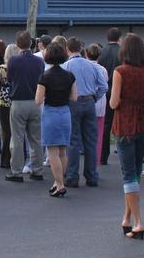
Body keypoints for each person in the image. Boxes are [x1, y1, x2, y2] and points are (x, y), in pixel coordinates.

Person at [109, 34, 144, 239]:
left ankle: (137, 222)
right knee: (136, 171)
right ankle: (127, 218)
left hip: (126, 124)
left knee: (128, 174)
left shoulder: (120, 71)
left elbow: (113, 103)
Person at [63, 37, 106, 188]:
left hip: (73, 102)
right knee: (91, 140)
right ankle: (92, 176)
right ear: (81, 49)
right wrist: (94, 98)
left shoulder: (66, 66)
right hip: (89, 101)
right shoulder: (92, 65)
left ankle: (72, 176)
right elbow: (103, 86)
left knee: (73, 140)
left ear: (67, 49)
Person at [37, 42, 77, 198]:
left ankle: (59, 184)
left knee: (52, 151)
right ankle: (58, 182)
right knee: (62, 151)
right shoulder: (70, 76)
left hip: (51, 113)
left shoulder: (45, 76)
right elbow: (74, 97)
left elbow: (38, 100)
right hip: (65, 113)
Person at [6, 30, 46, 182]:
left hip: (18, 102)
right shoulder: (39, 62)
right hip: (35, 101)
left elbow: (10, 79)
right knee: (35, 138)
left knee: (17, 138)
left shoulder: (13, 61)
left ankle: (16, 171)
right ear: (31, 43)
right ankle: (37, 170)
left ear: (17, 44)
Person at [98, 28, 123, 168]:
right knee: (122, 123)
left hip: (105, 91)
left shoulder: (102, 52)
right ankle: (124, 153)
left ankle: (103, 156)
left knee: (106, 124)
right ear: (119, 38)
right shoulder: (122, 52)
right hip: (119, 91)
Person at [0, 43, 17, 171]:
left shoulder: (1, 68)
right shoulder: (19, 67)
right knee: (16, 131)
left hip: (4, 100)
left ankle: (5, 159)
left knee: (5, 130)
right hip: (16, 99)